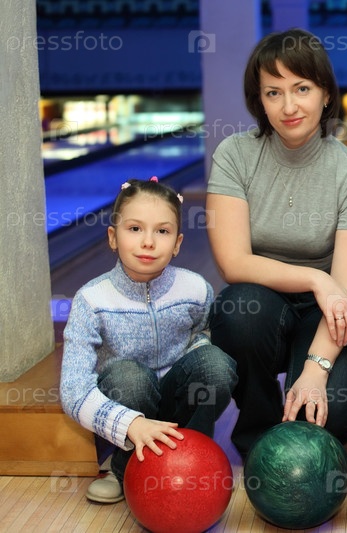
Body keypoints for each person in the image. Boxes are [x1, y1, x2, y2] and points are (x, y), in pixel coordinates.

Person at [206, 29, 347, 459]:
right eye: (273, 92)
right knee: (238, 310)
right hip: (263, 303)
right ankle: (259, 430)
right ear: (259, 100)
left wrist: (316, 370)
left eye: (302, 88)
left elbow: (345, 292)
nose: (288, 106)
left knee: (330, 412)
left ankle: (316, 414)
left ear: (325, 93)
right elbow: (233, 263)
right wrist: (316, 279)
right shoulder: (235, 155)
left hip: (328, 314)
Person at [60, 177, 238, 503]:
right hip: (128, 405)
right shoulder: (91, 300)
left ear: (178, 243)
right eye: (134, 229)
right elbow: (73, 389)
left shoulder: (196, 289)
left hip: (178, 399)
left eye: (162, 231)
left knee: (215, 363)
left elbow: (203, 337)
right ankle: (124, 468)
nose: (148, 242)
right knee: (128, 376)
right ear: (113, 237)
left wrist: (199, 352)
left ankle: (195, 460)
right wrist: (130, 424)